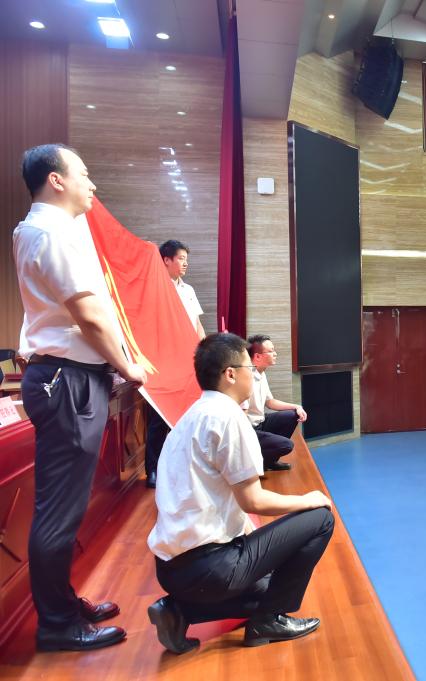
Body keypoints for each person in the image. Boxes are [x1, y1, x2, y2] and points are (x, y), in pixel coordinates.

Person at [14, 143, 148, 652]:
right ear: (56, 180)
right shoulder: (51, 232)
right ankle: (56, 625)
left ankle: (64, 605)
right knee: (59, 510)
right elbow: (89, 316)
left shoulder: (48, 230)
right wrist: (127, 366)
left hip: (69, 377)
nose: (92, 184)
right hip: (66, 379)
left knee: (67, 508)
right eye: (84, 174)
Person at [146, 333, 333, 654]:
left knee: (266, 587)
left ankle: (179, 611)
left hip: (172, 568)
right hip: (210, 566)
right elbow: (253, 500)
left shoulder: (192, 415)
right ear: (230, 374)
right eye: (249, 367)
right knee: (320, 518)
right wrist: (308, 500)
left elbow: (222, 495)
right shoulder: (228, 417)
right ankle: (270, 621)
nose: (253, 374)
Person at [145, 239, 206, 488]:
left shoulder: (188, 290)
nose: (185, 263)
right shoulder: (154, 287)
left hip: (189, 360)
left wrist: (204, 351)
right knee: (159, 417)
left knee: (189, 414)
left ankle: (184, 469)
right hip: (164, 360)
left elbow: (197, 324)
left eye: (186, 259)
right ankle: (153, 469)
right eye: (181, 258)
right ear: (166, 260)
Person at [246, 335, 307, 470]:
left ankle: (269, 461)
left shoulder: (261, 373)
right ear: (258, 356)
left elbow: (270, 402)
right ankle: (257, 464)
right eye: (271, 351)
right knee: (286, 445)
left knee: (292, 414)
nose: (275, 354)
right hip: (248, 429)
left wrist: (297, 406)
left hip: (260, 422)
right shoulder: (246, 377)